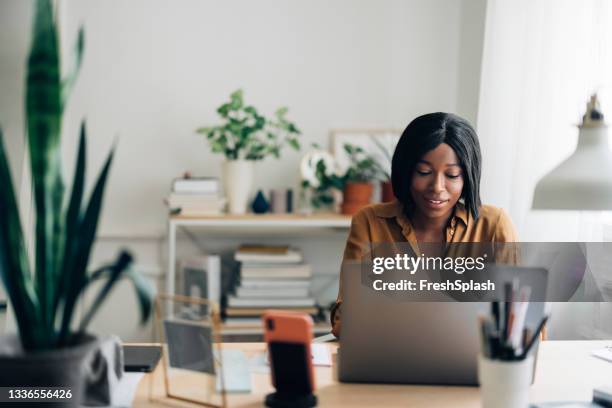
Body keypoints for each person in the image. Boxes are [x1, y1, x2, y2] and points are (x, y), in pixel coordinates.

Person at [331, 112, 518, 338]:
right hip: (391, 360)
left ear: (467, 177)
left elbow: (520, 321)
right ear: (406, 170)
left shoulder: (493, 225)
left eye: (452, 174)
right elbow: (346, 319)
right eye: (424, 172)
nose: (437, 187)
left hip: (469, 363)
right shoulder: (370, 222)